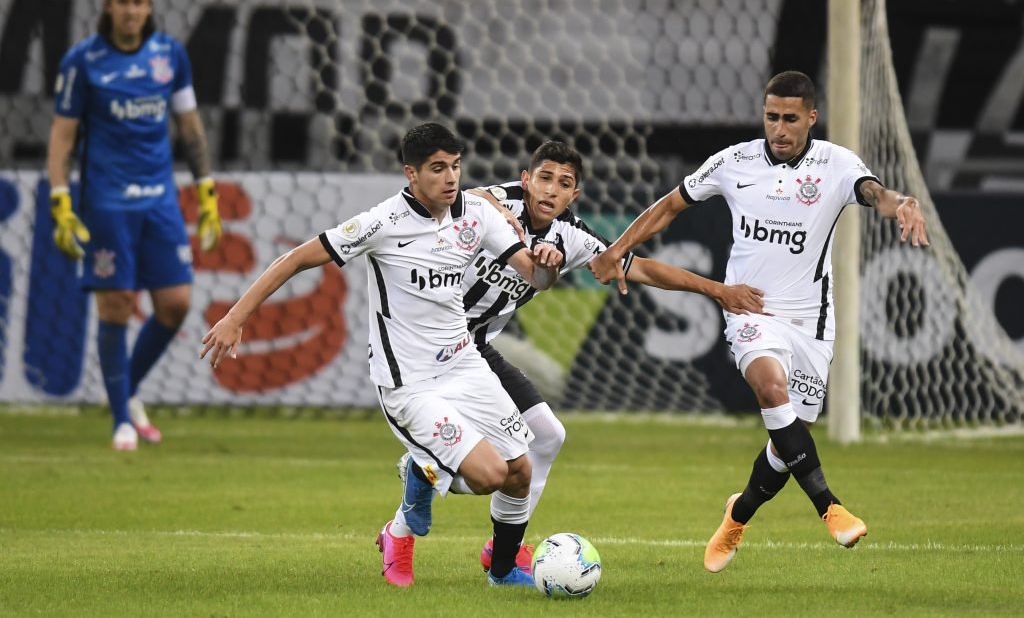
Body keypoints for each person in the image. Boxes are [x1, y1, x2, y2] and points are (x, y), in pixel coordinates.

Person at [589, 71, 929, 573]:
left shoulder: (836, 165)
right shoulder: (734, 162)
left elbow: (875, 193)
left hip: (811, 322)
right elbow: (670, 205)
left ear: (811, 117)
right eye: (772, 117)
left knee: (787, 440)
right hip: (750, 309)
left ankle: (738, 513)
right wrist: (619, 247)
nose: (779, 129)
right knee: (772, 390)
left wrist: (903, 203)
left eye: (791, 119)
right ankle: (830, 507)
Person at [200, 123, 561, 588]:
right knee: (491, 474)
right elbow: (294, 259)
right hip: (409, 385)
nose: (450, 178)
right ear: (411, 174)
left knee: (520, 471)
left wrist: (548, 267)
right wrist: (236, 316)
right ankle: (405, 510)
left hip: (465, 365)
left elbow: (534, 277)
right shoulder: (383, 223)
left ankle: (503, 570)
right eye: (437, 169)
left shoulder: (477, 214)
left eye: (455, 166)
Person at [394, 140, 766, 576]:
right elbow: (463, 195)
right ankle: (410, 512)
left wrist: (718, 290)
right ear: (526, 179)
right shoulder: (493, 204)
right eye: (545, 178)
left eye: (564, 183)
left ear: (575, 195)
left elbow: (640, 267)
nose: (551, 190)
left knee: (547, 436)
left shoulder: (570, 235)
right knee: (481, 462)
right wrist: (496, 207)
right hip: (430, 347)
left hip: (477, 346)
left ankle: (500, 552)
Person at [47, 0, 221, 451]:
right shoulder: (83, 62)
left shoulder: (169, 56)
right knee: (118, 305)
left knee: (177, 304)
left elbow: (189, 125)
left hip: (160, 199)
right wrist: (60, 197)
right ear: (108, 6)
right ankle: (122, 419)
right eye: (121, 1)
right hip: (106, 202)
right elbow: (62, 138)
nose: (130, 9)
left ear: (148, 7)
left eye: (137, 2)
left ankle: (125, 394)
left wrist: (205, 188)